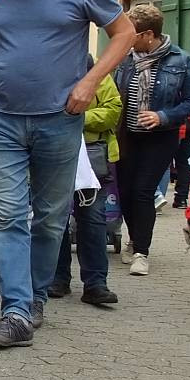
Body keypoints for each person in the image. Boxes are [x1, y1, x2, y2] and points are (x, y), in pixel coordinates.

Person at [0, 0, 134, 347]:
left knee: (51, 218)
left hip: (60, 119)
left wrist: (90, 82)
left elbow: (125, 33)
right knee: (6, 214)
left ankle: (35, 298)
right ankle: (16, 309)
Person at [113, 3, 190, 275]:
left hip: (160, 138)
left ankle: (142, 252)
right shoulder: (125, 58)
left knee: (142, 191)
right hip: (127, 136)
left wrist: (163, 116)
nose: (128, 38)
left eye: (133, 34)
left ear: (149, 34)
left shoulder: (180, 60)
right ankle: (133, 239)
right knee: (125, 193)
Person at [48, 63, 122, 305]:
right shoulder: (48, 72)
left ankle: (96, 284)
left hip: (93, 157)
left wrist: (76, 117)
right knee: (54, 219)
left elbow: (113, 110)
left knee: (92, 218)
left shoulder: (99, 73)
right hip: (54, 154)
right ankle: (57, 279)